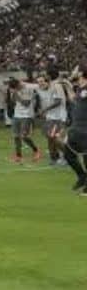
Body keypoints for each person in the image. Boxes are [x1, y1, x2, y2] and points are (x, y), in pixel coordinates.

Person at [62, 66, 87, 195]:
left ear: (81, 73)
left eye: (76, 71)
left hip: (85, 128)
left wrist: (70, 80)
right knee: (68, 154)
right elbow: (74, 99)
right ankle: (82, 176)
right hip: (76, 127)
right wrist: (67, 85)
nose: (73, 72)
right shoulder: (81, 89)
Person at [36, 71, 68, 166]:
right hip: (49, 118)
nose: (40, 84)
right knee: (50, 138)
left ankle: (68, 157)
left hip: (59, 117)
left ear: (48, 82)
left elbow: (58, 102)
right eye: (38, 82)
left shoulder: (55, 88)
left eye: (42, 81)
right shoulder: (39, 89)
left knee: (55, 138)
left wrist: (44, 110)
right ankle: (54, 158)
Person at [7, 77, 41, 162]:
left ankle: (36, 150)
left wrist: (16, 94)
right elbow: (13, 101)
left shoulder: (29, 87)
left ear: (18, 84)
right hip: (17, 114)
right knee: (16, 136)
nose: (16, 89)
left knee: (24, 136)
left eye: (17, 88)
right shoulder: (15, 89)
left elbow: (26, 103)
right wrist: (13, 95)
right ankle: (18, 155)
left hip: (27, 115)